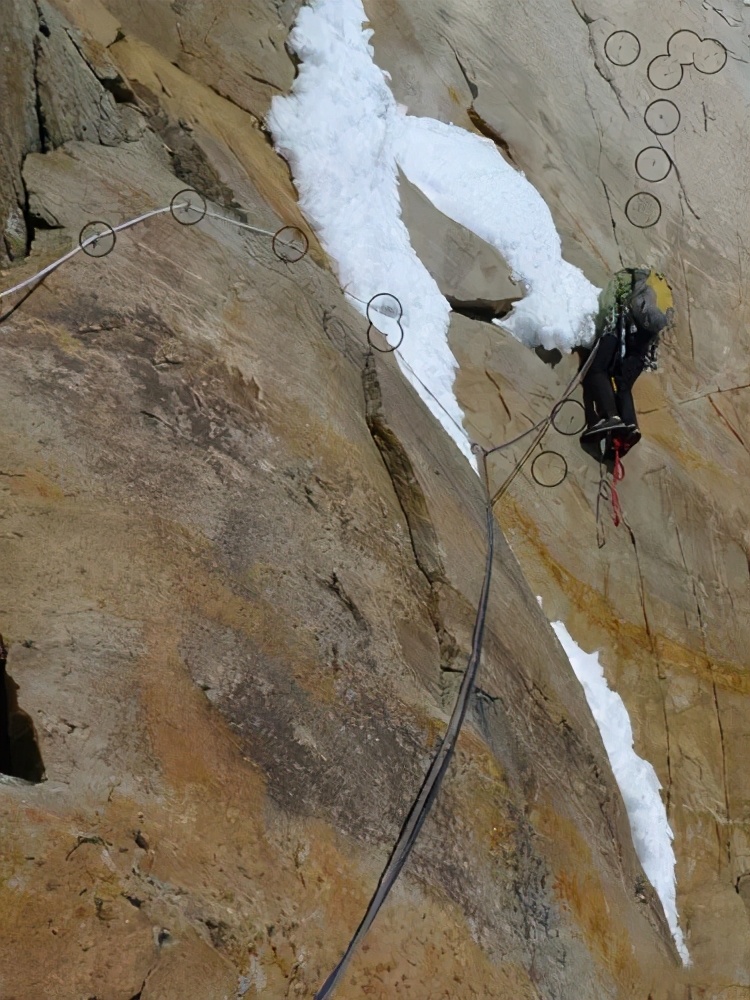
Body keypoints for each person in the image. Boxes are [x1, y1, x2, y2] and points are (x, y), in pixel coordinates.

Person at [580, 266, 674, 452]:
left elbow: (607, 304)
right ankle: (631, 426)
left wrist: (598, 330)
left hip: (619, 329)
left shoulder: (623, 280)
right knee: (623, 385)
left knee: (597, 370)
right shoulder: (658, 296)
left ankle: (610, 417)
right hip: (640, 344)